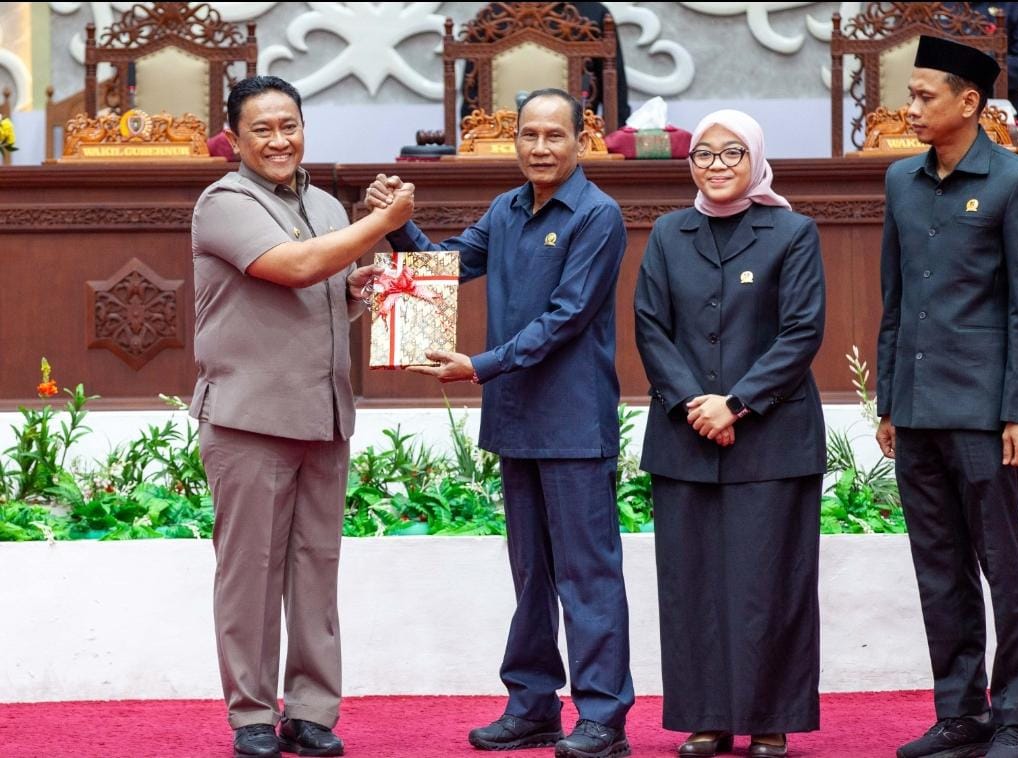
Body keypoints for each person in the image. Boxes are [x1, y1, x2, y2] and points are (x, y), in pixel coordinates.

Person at [366, 87, 634, 758]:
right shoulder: (507, 208)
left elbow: (568, 317)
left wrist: (479, 365)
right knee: (531, 576)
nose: (540, 148)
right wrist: (397, 222)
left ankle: (602, 718)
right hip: (517, 418)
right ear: (514, 141)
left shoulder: (598, 216)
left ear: (582, 141)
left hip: (575, 423)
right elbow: (447, 264)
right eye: (529, 136)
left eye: (554, 136)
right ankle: (534, 706)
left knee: (588, 577)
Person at [190, 75, 413, 758]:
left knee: (317, 570)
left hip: (322, 413)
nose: (280, 139)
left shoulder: (322, 203)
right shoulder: (223, 201)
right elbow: (292, 266)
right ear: (234, 138)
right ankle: (253, 715)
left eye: (290, 124)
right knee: (249, 572)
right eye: (263, 128)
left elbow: (319, 289)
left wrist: (354, 286)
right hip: (250, 418)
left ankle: (311, 711)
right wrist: (382, 226)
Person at [876, 35, 1018, 758]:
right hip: (916, 411)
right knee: (939, 571)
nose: (910, 107)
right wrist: (888, 400)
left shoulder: (1017, 182)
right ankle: (962, 716)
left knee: (1004, 572)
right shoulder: (899, 182)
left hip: (984, 415)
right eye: (910, 93)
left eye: (924, 95)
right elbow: (894, 302)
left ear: (969, 102)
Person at [634, 109, 826, 758]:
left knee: (770, 583)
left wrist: (737, 403)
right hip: (686, 438)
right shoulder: (667, 233)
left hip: (772, 438)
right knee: (691, 587)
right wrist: (695, 402)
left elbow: (801, 331)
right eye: (704, 155)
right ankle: (706, 717)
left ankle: (770, 719)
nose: (717, 166)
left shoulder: (792, 232)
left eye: (732, 153)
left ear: (757, 159)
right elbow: (649, 327)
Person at [460, 1, 631, 129]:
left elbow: (615, 104)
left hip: (576, 154)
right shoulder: (490, 19)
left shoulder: (491, 17)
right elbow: (471, 108)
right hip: (499, 154)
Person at [963, 2, 1018, 120]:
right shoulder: (933, 6)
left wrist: (983, 65)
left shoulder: (1016, 6)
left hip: (996, 116)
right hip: (938, 113)